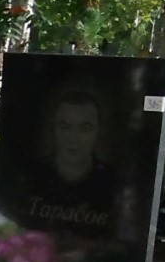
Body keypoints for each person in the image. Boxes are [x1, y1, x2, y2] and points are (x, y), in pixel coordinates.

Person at [17, 89, 120, 235]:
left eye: (85, 128)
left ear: (99, 131)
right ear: (53, 129)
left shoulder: (114, 185)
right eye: (65, 127)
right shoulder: (30, 179)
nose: (73, 138)